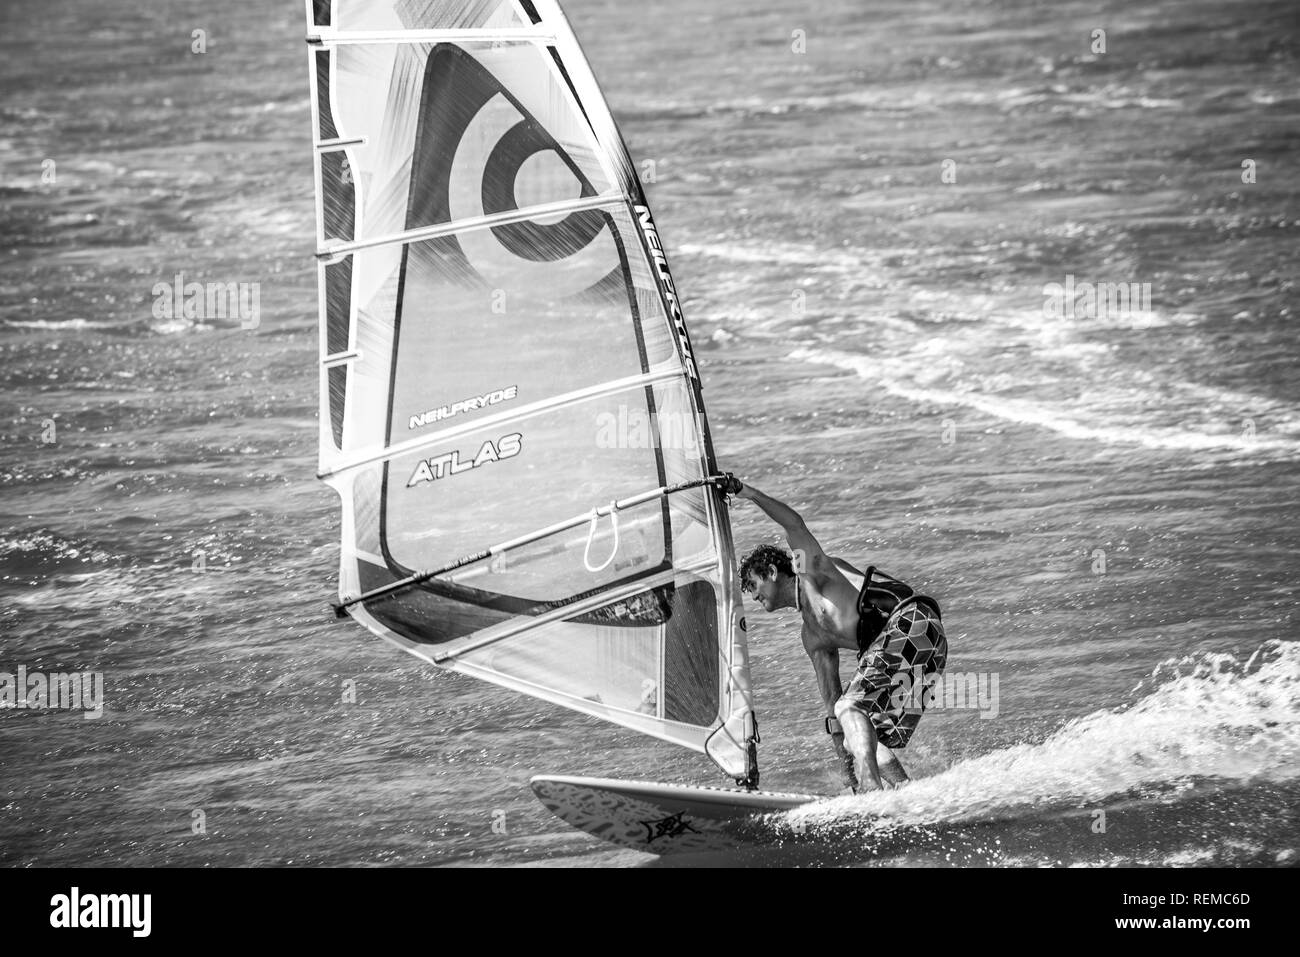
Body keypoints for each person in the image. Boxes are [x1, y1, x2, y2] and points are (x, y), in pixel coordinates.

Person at [719, 474, 947, 792]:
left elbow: (793, 524)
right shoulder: (813, 638)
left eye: (753, 586)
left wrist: (746, 493)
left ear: (771, 572)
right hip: (929, 649)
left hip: (911, 620)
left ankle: (873, 789)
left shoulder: (812, 571)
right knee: (861, 729)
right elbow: (833, 705)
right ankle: (906, 795)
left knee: (851, 710)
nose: (753, 596)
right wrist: (846, 771)